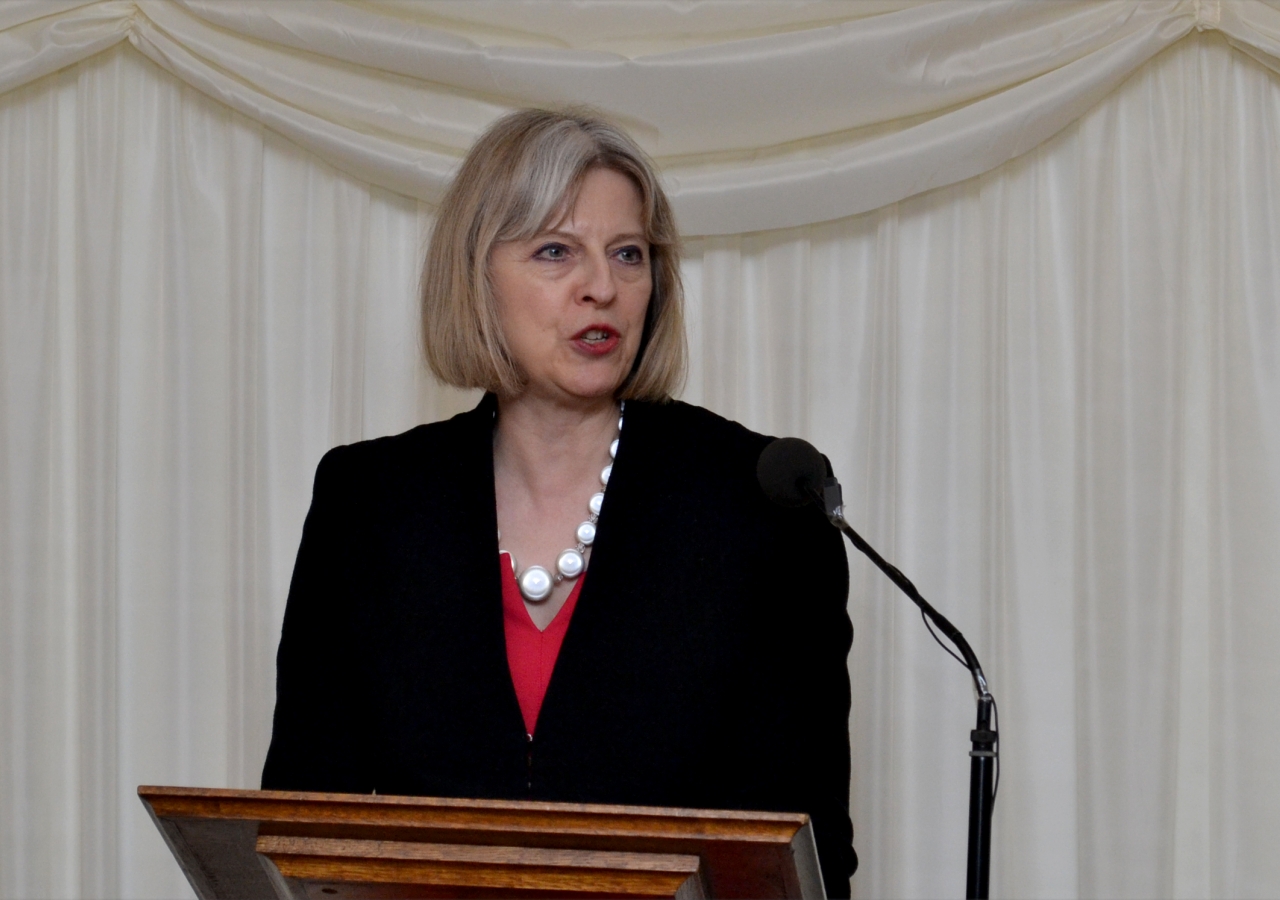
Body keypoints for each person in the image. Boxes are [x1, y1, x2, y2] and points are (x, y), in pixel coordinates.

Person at [261, 108, 857, 893]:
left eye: (628, 254)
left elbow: (804, 860)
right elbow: (301, 836)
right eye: (555, 252)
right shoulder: (369, 506)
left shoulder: (761, 507)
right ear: (477, 274)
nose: (602, 288)